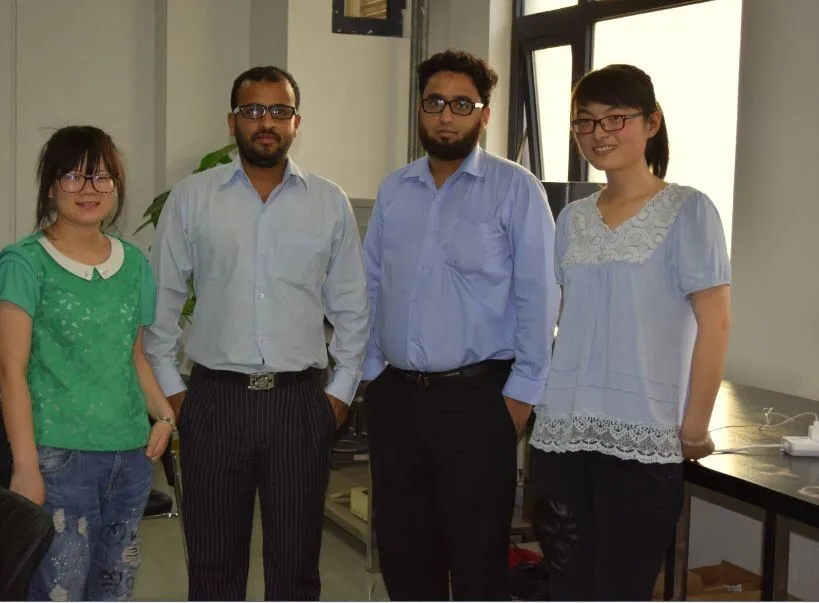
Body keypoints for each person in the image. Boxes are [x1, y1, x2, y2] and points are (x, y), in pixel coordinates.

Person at [143, 65, 370, 601]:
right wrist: (174, 392)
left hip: (300, 405)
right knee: (213, 567)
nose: (266, 122)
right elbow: (161, 305)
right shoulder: (193, 198)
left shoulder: (328, 201)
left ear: (296, 122)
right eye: (253, 110)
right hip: (214, 402)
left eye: (279, 111)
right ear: (233, 121)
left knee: (296, 567)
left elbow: (352, 308)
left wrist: (339, 394)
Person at [361, 49, 561, 600]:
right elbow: (371, 284)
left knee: (477, 560)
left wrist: (520, 397)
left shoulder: (516, 189)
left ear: (484, 114)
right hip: (397, 399)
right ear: (420, 109)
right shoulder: (395, 190)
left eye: (461, 104)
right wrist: (373, 372)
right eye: (434, 103)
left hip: (478, 401)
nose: (446, 116)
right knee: (404, 553)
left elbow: (540, 296)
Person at [528, 64, 732, 601]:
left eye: (615, 118)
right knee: (567, 588)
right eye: (585, 121)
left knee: (622, 589)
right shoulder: (572, 218)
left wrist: (694, 425)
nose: (599, 133)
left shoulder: (689, 210)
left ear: (652, 123)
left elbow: (716, 324)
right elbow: (562, 317)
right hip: (562, 434)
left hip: (643, 438)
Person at [0, 125, 175, 601]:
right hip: (58, 459)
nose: (89, 188)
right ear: (51, 187)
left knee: (114, 588)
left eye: (101, 176)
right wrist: (25, 466)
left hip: (130, 457)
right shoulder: (24, 262)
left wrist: (163, 414)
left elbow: (133, 356)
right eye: (73, 176)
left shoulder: (133, 264)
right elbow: (10, 372)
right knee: (57, 588)